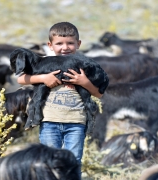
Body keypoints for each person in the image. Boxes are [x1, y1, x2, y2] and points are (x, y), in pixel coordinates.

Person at [17, 22, 103, 178]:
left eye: (70, 43)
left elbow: (99, 94)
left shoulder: (83, 66)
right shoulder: (44, 64)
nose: (65, 47)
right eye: (59, 43)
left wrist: (84, 82)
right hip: (49, 122)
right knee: (48, 161)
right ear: (50, 45)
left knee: (74, 161)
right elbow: (21, 79)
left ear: (79, 43)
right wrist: (44, 78)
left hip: (76, 123)